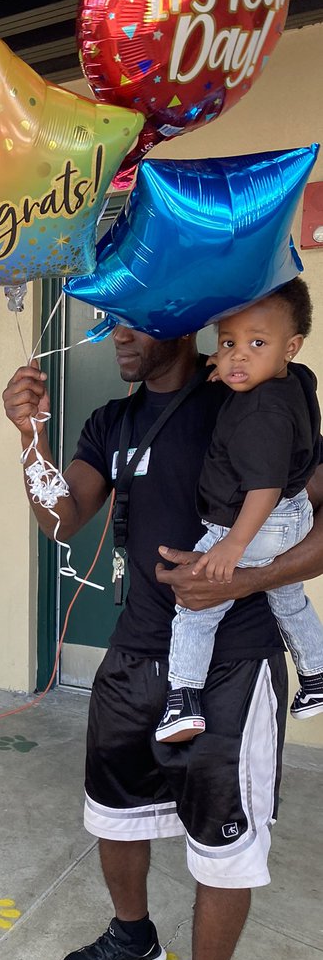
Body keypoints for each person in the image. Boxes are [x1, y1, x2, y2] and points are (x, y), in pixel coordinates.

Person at [2, 321, 323, 960]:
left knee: (223, 844)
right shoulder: (111, 421)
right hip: (136, 651)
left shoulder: (252, 401)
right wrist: (28, 440)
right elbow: (60, 518)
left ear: (181, 320)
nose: (117, 337)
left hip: (232, 662)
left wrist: (239, 582)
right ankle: (132, 936)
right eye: (111, 321)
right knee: (114, 814)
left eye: (134, 321)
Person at [158, 279, 323, 742]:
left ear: (290, 346)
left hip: (258, 523)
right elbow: (253, 362)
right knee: (289, 599)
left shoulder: (259, 415)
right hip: (295, 519)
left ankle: (183, 700)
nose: (239, 356)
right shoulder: (296, 378)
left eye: (256, 343)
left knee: (197, 606)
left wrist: (233, 544)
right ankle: (317, 675)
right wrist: (229, 364)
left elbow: (263, 488)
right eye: (227, 343)